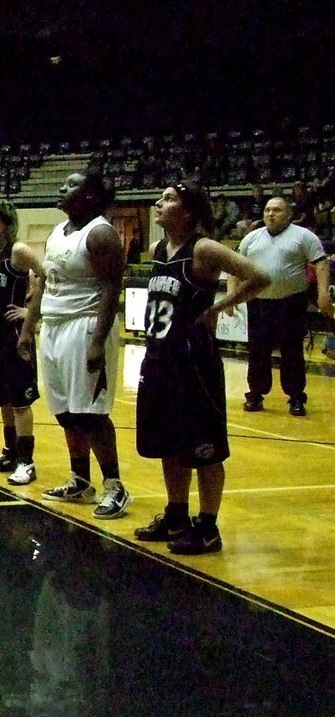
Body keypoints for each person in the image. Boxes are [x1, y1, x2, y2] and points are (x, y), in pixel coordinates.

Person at [133, 181, 272, 555]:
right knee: (167, 443)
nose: (159, 203)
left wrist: (221, 305)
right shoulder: (157, 249)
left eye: (169, 199)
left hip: (194, 362)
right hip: (159, 357)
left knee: (205, 448)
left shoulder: (205, 249)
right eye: (159, 196)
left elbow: (259, 276)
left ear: (189, 211)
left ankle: (208, 527)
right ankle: (176, 514)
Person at [18, 171, 130, 519]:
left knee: (91, 412)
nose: (62, 189)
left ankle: (115, 486)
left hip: (84, 329)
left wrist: (98, 341)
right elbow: (44, 283)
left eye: (71, 186)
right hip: (53, 326)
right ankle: (81, 481)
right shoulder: (57, 232)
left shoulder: (100, 234)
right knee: (66, 412)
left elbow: (112, 289)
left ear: (91, 197)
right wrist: (28, 325)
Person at [232, 196, 331, 416]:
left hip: (291, 302)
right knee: (257, 351)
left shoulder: (304, 236)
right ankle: (255, 394)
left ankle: (296, 397)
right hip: (258, 302)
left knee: (292, 351)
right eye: (267, 210)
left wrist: (323, 294)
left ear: (288, 214)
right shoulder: (251, 238)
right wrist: (231, 296)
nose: (270, 214)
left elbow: (321, 263)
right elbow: (235, 267)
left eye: (276, 210)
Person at [0, 201, 43, 486]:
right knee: (2, 397)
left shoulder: (18, 251)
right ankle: (10, 452)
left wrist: (31, 312)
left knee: (19, 399)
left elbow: (45, 276)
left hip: (14, 334)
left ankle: (26, 461)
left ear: (6, 223)